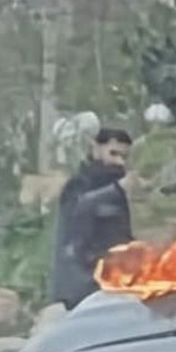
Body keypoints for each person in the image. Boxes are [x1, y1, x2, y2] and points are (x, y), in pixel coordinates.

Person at [50, 128, 134, 309]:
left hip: (110, 286)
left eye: (124, 157)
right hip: (80, 288)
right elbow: (80, 210)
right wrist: (117, 189)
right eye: (113, 153)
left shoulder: (121, 192)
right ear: (96, 149)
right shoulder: (79, 184)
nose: (118, 162)